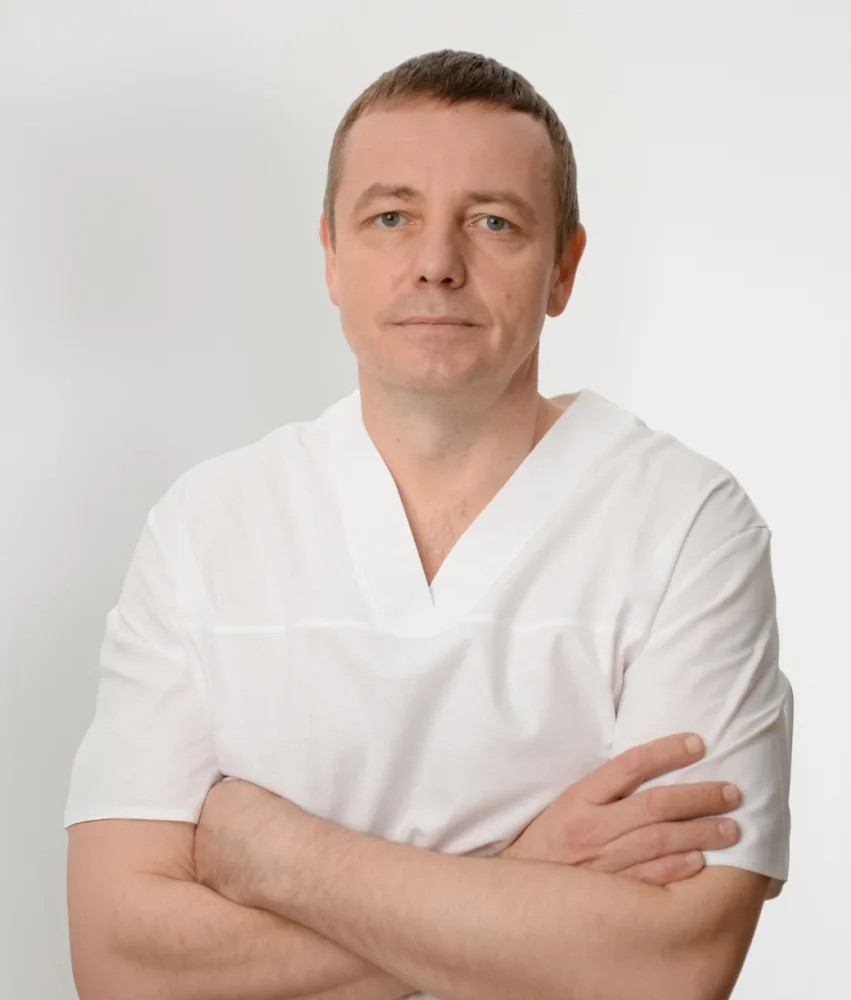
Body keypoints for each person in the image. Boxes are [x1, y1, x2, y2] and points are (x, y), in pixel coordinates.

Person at [65, 49, 792, 1000]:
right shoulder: (207, 528)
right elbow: (119, 964)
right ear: (330, 256)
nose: (437, 264)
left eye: (493, 222)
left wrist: (277, 857)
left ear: (564, 268)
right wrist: (519, 873)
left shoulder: (684, 524)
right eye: (390, 218)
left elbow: (670, 965)